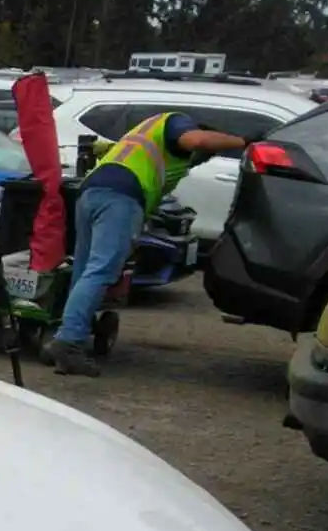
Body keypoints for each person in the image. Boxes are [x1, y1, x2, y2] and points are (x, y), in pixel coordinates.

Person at [47, 113, 247, 376]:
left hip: (91, 194)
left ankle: (66, 336)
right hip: (120, 198)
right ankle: (68, 343)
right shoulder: (176, 123)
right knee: (101, 270)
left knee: (85, 271)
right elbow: (196, 140)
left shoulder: (144, 135)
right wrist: (242, 141)